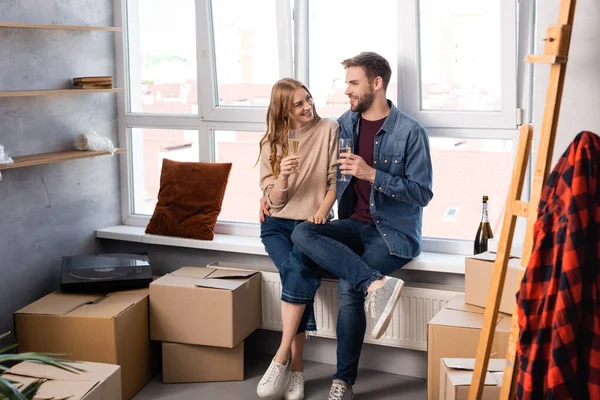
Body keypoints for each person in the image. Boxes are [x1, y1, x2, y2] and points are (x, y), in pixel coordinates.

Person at [263, 52, 433, 400]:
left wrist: (371, 173)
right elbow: (318, 167)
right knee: (302, 233)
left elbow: (422, 194)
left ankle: (342, 381)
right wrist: (269, 194)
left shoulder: (410, 132)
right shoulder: (345, 124)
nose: (347, 92)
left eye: (353, 84)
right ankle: (375, 283)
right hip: (351, 225)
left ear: (377, 83)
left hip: (391, 233)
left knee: (346, 287)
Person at [256, 78, 340, 400]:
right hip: (276, 226)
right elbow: (273, 202)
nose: (307, 107)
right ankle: (298, 368)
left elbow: (334, 182)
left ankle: (281, 358)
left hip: (311, 225)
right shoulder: (271, 144)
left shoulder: (329, 128)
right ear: (284, 111)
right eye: (298, 105)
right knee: (297, 273)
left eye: (308, 99)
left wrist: (321, 212)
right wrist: (283, 177)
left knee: (295, 272)